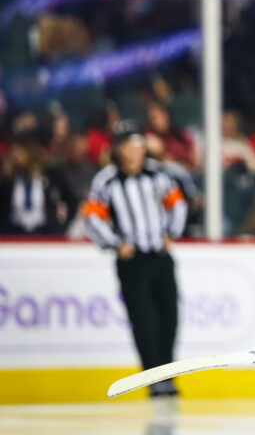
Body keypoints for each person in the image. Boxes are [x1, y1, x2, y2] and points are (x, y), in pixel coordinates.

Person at [81, 120, 187, 397]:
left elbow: (177, 203)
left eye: (139, 143)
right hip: (133, 262)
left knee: (169, 317)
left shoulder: (157, 174)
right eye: (129, 144)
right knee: (144, 321)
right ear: (118, 149)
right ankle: (154, 378)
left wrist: (171, 232)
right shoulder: (107, 179)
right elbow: (92, 217)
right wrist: (115, 244)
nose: (135, 149)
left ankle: (168, 374)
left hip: (160, 256)